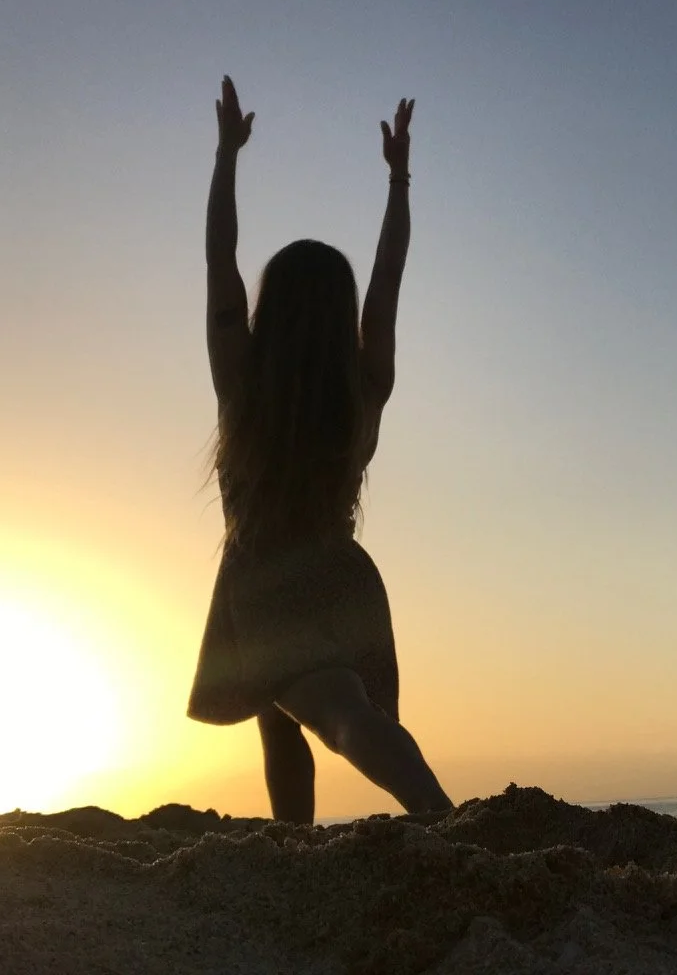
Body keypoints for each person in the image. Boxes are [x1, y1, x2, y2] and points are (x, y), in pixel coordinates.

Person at [186, 75, 453, 824]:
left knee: (337, 716)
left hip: (266, 577)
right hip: (344, 577)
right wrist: (398, 181)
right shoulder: (363, 388)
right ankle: (294, 846)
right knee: (283, 718)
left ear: (270, 309)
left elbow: (218, 261)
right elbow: (388, 278)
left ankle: (444, 821)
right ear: (341, 318)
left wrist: (226, 157)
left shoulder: (242, 384)